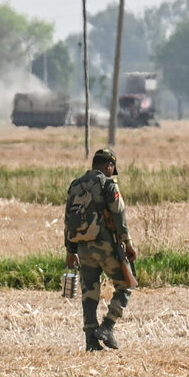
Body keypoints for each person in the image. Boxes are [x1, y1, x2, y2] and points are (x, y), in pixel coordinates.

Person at [64, 147, 138, 351]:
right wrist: (128, 243)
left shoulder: (76, 185)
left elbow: (68, 219)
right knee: (126, 285)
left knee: (89, 293)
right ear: (109, 165)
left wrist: (70, 251)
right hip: (106, 246)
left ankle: (91, 340)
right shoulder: (108, 184)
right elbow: (119, 216)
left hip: (83, 248)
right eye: (112, 168)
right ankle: (107, 326)